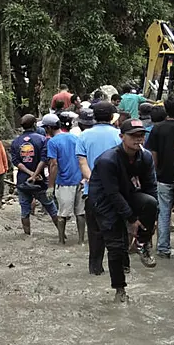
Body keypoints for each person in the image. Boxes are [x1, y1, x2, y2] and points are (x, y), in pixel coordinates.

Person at [88, 119, 159, 302]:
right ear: (121, 137)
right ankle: (119, 289)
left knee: (151, 203)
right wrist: (131, 219)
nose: (138, 140)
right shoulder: (107, 160)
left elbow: (151, 186)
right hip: (105, 202)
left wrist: (152, 218)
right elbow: (112, 194)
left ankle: (143, 244)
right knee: (116, 247)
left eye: (141, 136)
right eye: (133, 136)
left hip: (128, 195)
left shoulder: (145, 157)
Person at [76, 102, 122, 275]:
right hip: (116, 191)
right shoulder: (119, 135)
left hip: (92, 192)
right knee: (116, 231)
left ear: (94, 116)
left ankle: (95, 268)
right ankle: (120, 268)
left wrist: (95, 181)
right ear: (112, 117)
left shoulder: (84, 136)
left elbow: (82, 162)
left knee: (95, 232)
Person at [146, 95, 174, 259]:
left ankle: (163, 248)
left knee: (163, 213)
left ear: (166, 109)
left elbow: (153, 154)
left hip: (163, 177)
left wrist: (155, 173)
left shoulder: (158, 128)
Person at [11, 114, 60, 235]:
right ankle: (61, 234)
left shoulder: (15, 142)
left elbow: (16, 162)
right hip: (39, 181)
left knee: (24, 211)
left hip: (23, 181)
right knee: (52, 209)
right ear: (34, 125)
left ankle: (27, 236)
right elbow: (44, 159)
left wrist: (29, 173)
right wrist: (35, 174)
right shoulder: (42, 140)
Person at [47, 113, 85, 245]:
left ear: (49, 128)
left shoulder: (52, 142)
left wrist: (50, 185)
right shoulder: (75, 138)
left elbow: (54, 164)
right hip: (79, 180)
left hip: (64, 181)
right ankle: (81, 241)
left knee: (62, 214)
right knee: (80, 213)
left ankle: (61, 240)